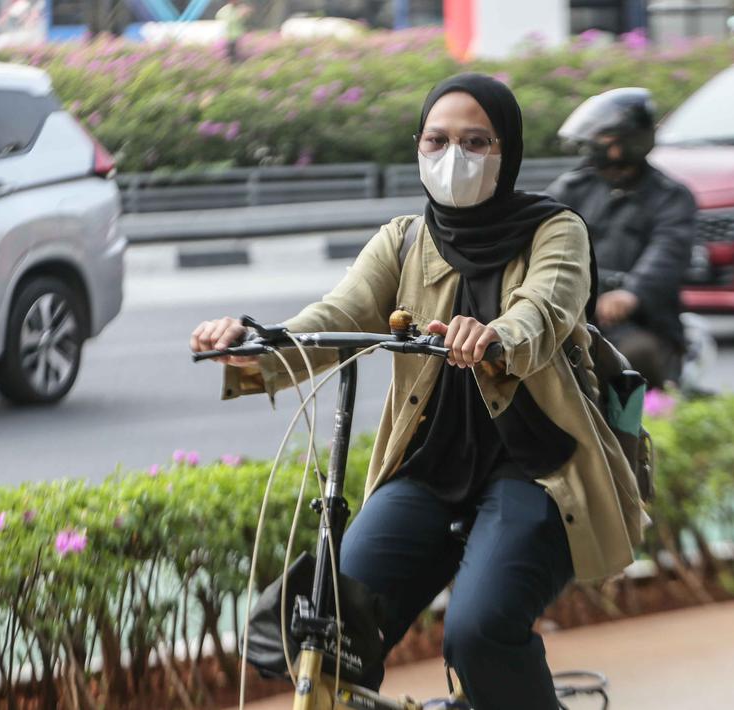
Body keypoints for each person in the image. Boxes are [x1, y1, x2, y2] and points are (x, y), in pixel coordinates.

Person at [190, 74, 644, 710]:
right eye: (438, 140)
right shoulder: (402, 239)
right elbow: (334, 317)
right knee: (326, 626)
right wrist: (253, 343)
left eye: (475, 141)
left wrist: (494, 336)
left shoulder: (555, 229)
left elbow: (545, 308)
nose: (454, 156)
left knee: (480, 631)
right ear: (418, 146)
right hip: (429, 468)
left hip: (536, 469)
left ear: (506, 150)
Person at [547, 88, 697, 389]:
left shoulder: (670, 197)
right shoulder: (572, 187)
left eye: (605, 137)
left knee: (635, 356)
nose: (595, 145)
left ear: (628, 140)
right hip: (576, 314)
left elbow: (668, 251)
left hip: (641, 321)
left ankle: (636, 429)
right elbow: (542, 234)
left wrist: (632, 293)